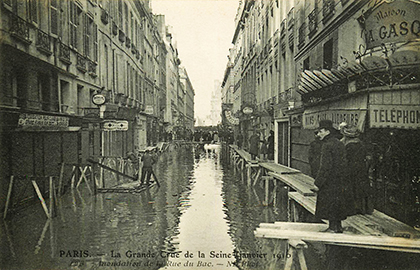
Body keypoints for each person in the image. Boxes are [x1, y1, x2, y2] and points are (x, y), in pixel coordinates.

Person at [312, 120, 349, 233]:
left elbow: (325, 167)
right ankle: (338, 226)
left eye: (321, 131)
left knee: (329, 203)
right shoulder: (339, 143)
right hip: (340, 179)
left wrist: (318, 183)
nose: (319, 134)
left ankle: (332, 228)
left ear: (327, 132)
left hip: (329, 180)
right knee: (337, 203)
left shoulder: (327, 146)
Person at [340, 123, 374, 215]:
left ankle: (352, 209)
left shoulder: (347, 146)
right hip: (361, 169)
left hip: (350, 169)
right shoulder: (361, 144)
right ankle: (364, 208)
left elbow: (345, 159)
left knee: (351, 187)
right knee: (361, 188)